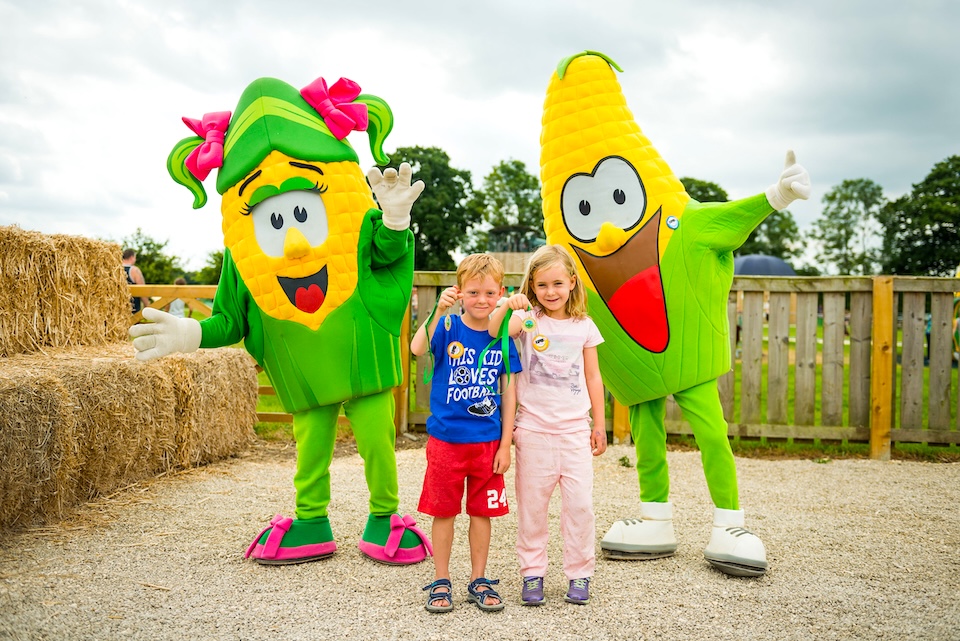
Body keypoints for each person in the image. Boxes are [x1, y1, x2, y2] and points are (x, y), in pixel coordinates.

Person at [488, 244, 607, 606]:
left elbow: (593, 376)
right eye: (542, 285)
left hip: (574, 432)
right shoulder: (527, 321)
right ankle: (532, 574)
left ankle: (580, 574)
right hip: (534, 431)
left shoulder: (585, 326)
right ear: (532, 286)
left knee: (580, 506)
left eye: (557, 283)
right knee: (532, 508)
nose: (551, 292)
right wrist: (510, 305)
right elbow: (497, 332)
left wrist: (599, 425)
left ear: (572, 282)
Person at [411, 254, 522, 613]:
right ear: (460, 292)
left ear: (500, 292)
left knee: (481, 513)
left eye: (490, 293)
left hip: (487, 444)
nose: (481, 300)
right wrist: (436, 312)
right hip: (446, 441)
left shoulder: (504, 336)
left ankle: (478, 578)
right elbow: (416, 349)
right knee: (443, 512)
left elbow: (510, 395)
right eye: (473, 292)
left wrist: (506, 444)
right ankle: (441, 579)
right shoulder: (446, 327)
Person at [122, 249, 149, 313]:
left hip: (118, 310)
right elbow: (142, 290)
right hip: (132, 309)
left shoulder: (115, 269)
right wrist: (147, 305)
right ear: (132, 257)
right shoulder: (134, 270)